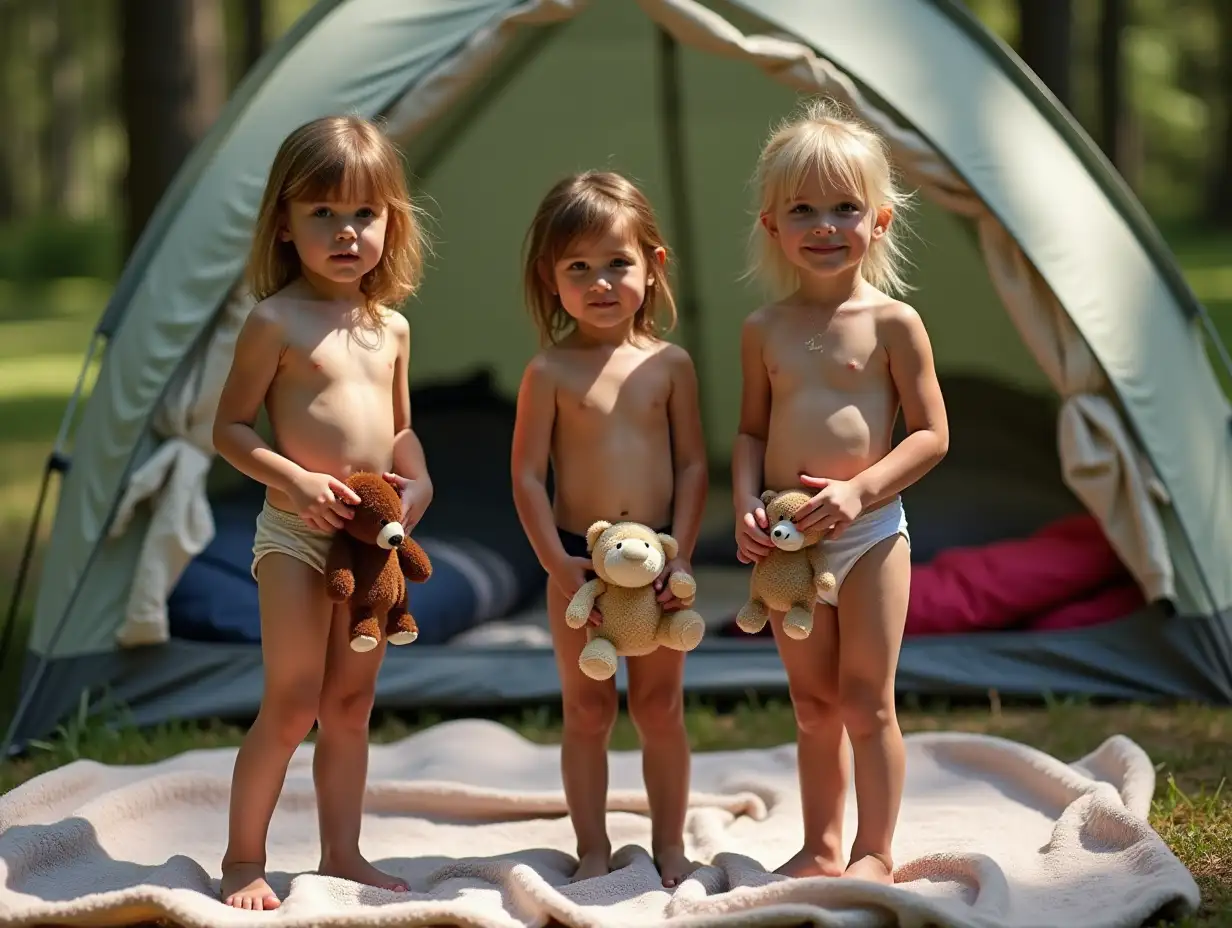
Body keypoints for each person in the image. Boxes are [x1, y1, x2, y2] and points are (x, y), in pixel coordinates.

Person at [211, 115, 434, 910]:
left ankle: (343, 853)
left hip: (371, 545)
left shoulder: (391, 327)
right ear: (285, 223)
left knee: (350, 704)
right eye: (323, 214)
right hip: (297, 538)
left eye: (364, 214)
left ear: (391, 223)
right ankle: (243, 859)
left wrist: (419, 483)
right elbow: (229, 429)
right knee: (295, 698)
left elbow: (400, 429)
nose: (346, 232)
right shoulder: (276, 321)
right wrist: (297, 482)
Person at [732, 98, 949, 885]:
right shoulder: (764, 329)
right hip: (790, 542)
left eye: (845, 208)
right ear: (773, 226)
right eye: (804, 210)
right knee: (813, 705)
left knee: (867, 699)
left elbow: (931, 434)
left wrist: (860, 493)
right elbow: (751, 432)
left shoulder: (895, 323)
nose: (825, 225)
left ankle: (874, 851)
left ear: (881, 220)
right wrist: (746, 506)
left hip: (869, 534)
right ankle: (821, 845)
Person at [510, 171, 709, 888]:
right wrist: (560, 570)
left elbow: (692, 465)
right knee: (587, 708)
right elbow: (528, 477)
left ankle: (671, 846)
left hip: (660, 561)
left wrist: (679, 553)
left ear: (653, 267)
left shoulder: (670, 366)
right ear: (551, 278)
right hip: (578, 568)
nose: (600, 283)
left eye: (617, 262)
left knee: (660, 706)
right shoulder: (550, 370)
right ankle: (591, 847)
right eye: (579, 268)